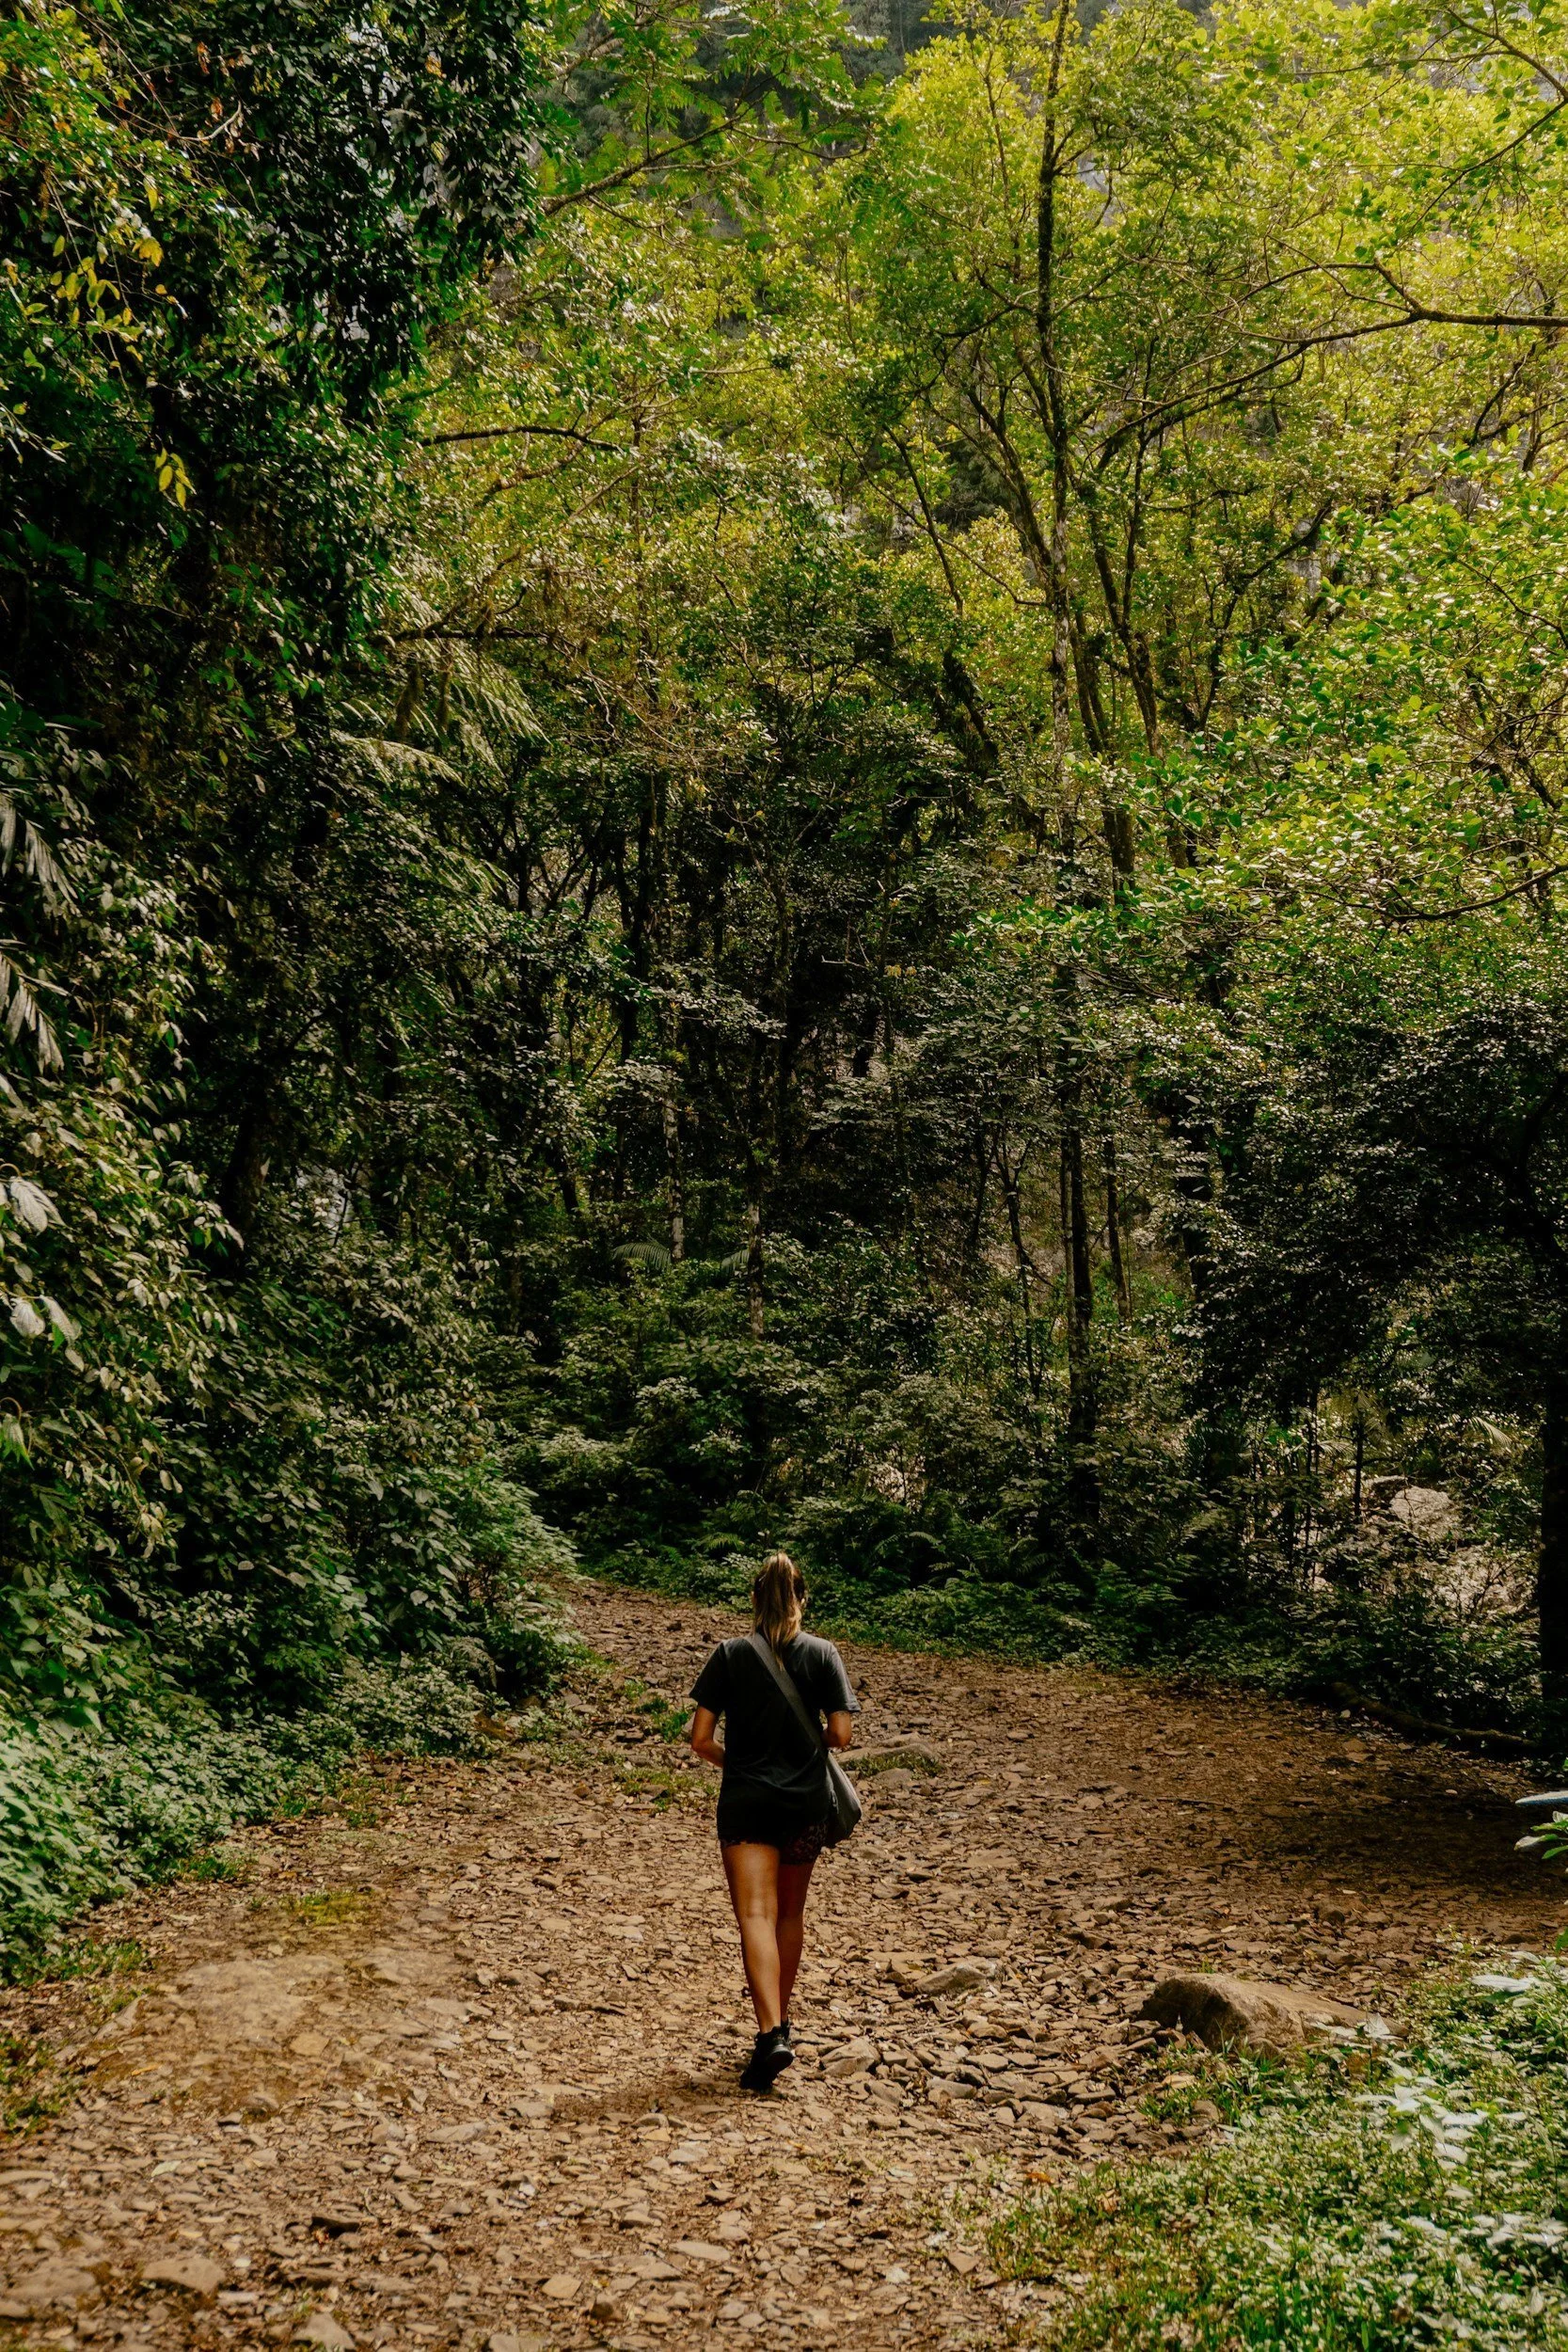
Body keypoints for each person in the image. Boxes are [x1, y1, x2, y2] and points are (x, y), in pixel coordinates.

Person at [689, 1551, 858, 2092]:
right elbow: (841, 1735)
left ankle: (770, 2033)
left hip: (747, 1803)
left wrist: (738, 1763)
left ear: (754, 1601)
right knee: (789, 1915)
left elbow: (699, 1740)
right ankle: (781, 2025)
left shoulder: (730, 1655)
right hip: (805, 1802)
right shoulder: (824, 1654)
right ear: (801, 1600)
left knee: (755, 1915)